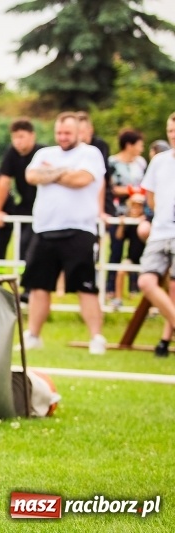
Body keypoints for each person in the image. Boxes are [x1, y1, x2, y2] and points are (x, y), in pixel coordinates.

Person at [20, 112, 107, 355]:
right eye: (59, 132)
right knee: (38, 286)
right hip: (45, 229)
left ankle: (96, 337)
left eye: (67, 133)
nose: (63, 137)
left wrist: (51, 174)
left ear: (79, 132)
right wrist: (63, 172)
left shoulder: (90, 153)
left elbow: (82, 179)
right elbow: (31, 176)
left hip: (79, 229)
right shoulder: (44, 153)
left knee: (85, 286)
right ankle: (33, 335)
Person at [138, 114, 175, 358]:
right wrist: (156, 216)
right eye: (170, 130)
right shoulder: (159, 161)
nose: (173, 134)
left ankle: (164, 340)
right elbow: (149, 195)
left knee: (174, 288)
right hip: (160, 231)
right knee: (146, 283)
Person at [0, 118, 45, 265]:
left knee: (28, 245)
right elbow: (4, 182)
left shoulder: (43, 152)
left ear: (32, 136)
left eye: (21, 137)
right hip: (25, 205)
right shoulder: (12, 153)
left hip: (42, 207)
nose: (17, 141)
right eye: (14, 137)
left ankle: (27, 283)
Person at [106, 129, 147, 305]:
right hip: (120, 212)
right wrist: (133, 191)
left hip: (138, 213)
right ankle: (110, 288)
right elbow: (112, 188)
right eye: (139, 144)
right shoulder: (113, 162)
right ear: (129, 145)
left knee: (136, 250)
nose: (141, 148)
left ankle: (134, 287)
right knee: (116, 250)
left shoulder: (141, 163)